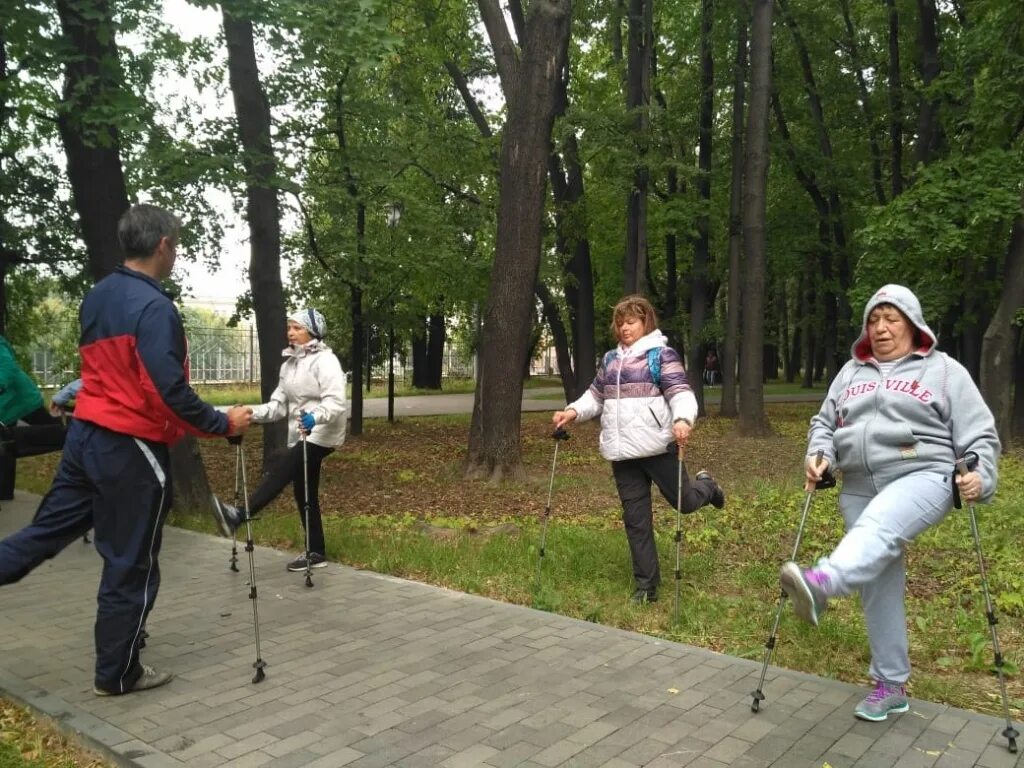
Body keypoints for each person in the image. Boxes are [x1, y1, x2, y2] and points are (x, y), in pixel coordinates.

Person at [0, 204, 252, 696]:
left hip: (84, 439)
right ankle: (118, 673)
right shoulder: (155, 308)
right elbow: (167, 392)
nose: (175, 254)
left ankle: (118, 659)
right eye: (175, 246)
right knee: (130, 562)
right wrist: (224, 422)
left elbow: (105, 374)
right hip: (131, 448)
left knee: (43, 534)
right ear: (163, 245)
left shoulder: (97, 297)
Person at [779, 284, 1000, 722]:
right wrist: (818, 455)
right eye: (873, 320)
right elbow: (824, 423)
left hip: (922, 473)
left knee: (878, 525)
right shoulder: (850, 373)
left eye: (891, 318)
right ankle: (891, 685)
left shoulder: (943, 371)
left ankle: (823, 584)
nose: (880, 328)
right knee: (877, 582)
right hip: (859, 482)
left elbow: (980, 435)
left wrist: (982, 477)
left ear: (913, 323)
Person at [552, 295, 725, 605]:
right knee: (636, 520)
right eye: (620, 323)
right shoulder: (610, 360)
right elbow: (595, 397)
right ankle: (647, 587)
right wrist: (573, 412)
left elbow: (681, 393)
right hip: (623, 454)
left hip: (658, 448)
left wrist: (684, 419)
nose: (624, 328)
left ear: (646, 322)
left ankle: (708, 487)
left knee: (684, 502)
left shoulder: (661, 355)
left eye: (631, 321)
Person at [211, 309, 346, 572]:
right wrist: (252, 413)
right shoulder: (289, 365)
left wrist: (315, 418)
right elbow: (278, 406)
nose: (290, 333)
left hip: (323, 430)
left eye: (297, 328)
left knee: (283, 468)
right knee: (304, 491)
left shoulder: (326, 361)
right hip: (301, 433)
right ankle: (316, 550)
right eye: (289, 328)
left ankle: (240, 514)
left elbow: (336, 402)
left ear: (313, 332)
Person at [0, 337, 71, 499]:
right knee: (5, 446)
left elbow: (7, 367)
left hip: (23, 401)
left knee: (61, 433)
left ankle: (82, 433)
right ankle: (4, 493)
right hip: (5, 409)